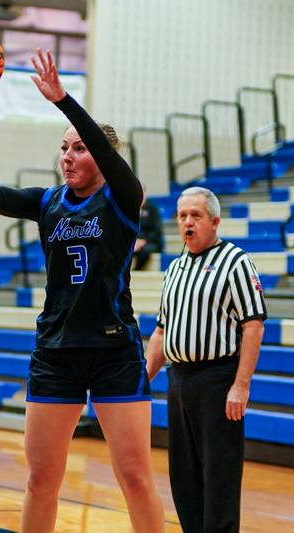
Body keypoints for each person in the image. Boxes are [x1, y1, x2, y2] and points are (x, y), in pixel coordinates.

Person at [0, 49, 164, 533]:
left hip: (114, 351)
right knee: (42, 478)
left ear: (102, 159)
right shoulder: (48, 202)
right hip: (55, 352)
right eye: (63, 149)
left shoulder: (124, 199)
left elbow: (107, 153)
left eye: (79, 148)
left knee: (134, 476)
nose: (68, 156)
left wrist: (64, 101)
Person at [145, 186, 266, 533]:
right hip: (178, 380)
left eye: (195, 216)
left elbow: (253, 326)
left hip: (218, 379)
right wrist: (140, 381)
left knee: (219, 475)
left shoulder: (236, 262)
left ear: (214, 221)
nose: (187, 223)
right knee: (183, 474)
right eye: (182, 216)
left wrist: (240, 386)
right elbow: (161, 332)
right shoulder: (175, 269)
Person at [134, 185, 164, 270]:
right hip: (135, 241)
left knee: (144, 251)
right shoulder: (131, 208)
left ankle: (136, 271)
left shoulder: (152, 209)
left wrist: (143, 241)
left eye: (142, 192)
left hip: (151, 241)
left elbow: (156, 229)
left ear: (145, 194)